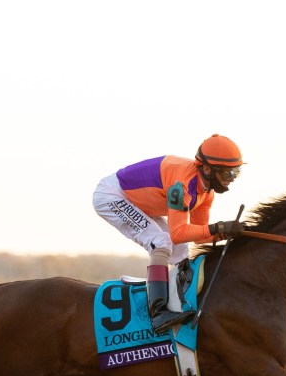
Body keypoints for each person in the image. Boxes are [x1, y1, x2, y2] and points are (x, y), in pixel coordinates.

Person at [93, 134, 245, 334]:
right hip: (112, 195)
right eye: (227, 174)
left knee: (181, 250)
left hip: (139, 203)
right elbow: (178, 233)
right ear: (207, 169)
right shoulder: (181, 185)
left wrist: (223, 234)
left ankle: (180, 303)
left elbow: (198, 235)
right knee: (161, 241)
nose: (231, 180)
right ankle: (157, 313)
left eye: (236, 173)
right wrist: (217, 228)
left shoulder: (206, 193)